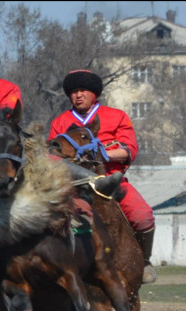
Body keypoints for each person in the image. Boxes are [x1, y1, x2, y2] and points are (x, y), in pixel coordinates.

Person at [48, 69, 157, 283]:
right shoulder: (60, 122)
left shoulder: (116, 116)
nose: (78, 95)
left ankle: (144, 261)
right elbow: (52, 156)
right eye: (74, 92)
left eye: (83, 90)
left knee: (143, 216)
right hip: (76, 186)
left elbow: (129, 149)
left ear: (94, 93)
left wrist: (103, 153)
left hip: (113, 181)